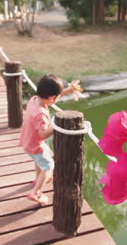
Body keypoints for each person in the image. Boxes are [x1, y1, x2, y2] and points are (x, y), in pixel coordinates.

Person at [20, 74, 82, 205]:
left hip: (28, 142)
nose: (57, 98)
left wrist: (68, 90)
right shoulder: (41, 113)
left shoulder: (34, 99)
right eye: (57, 96)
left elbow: (52, 98)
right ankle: (36, 192)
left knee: (40, 161)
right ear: (51, 97)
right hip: (36, 145)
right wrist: (56, 125)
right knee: (48, 165)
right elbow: (43, 134)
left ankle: (39, 179)